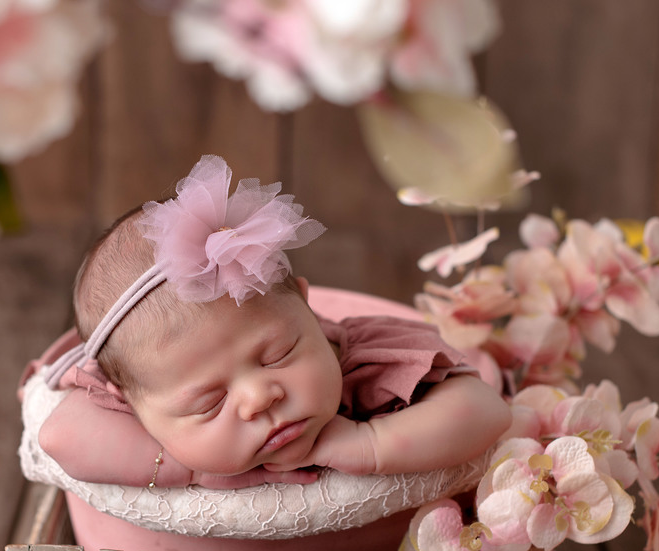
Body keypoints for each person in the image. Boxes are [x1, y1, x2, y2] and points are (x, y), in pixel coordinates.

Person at [35, 155, 511, 495]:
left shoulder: (363, 360)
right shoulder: (137, 381)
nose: (261, 397)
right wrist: (196, 471)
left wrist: (369, 443)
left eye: (278, 354)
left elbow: (485, 409)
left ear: (308, 308)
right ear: (129, 404)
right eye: (209, 401)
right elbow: (59, 437)